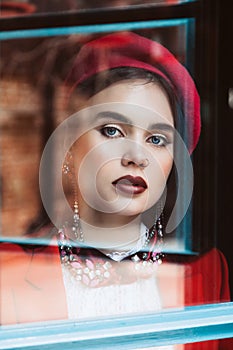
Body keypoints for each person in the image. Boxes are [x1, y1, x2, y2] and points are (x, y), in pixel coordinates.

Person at [0, 32, 231, 349]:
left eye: (157, 139)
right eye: (112, 130)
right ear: (69, 144)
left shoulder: (206, 274)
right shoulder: (8, 275)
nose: (136, 156)